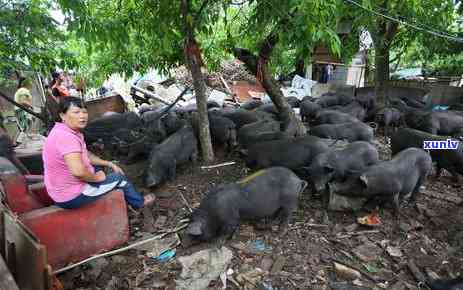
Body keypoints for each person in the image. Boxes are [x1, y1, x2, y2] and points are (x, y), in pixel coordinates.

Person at [42, 97, 156, 209]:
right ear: (62, 115)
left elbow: (85, 154)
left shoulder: (63, 131)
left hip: (61, 190)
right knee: (121, 179)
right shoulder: (67, 138)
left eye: (84, 112)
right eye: (76, 112)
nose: (82, 116)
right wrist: (97, 178)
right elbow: (78, 172)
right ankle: (139, 203)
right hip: (73, 196)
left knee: (97, 166)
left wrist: (108, 163)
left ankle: (107, 184)